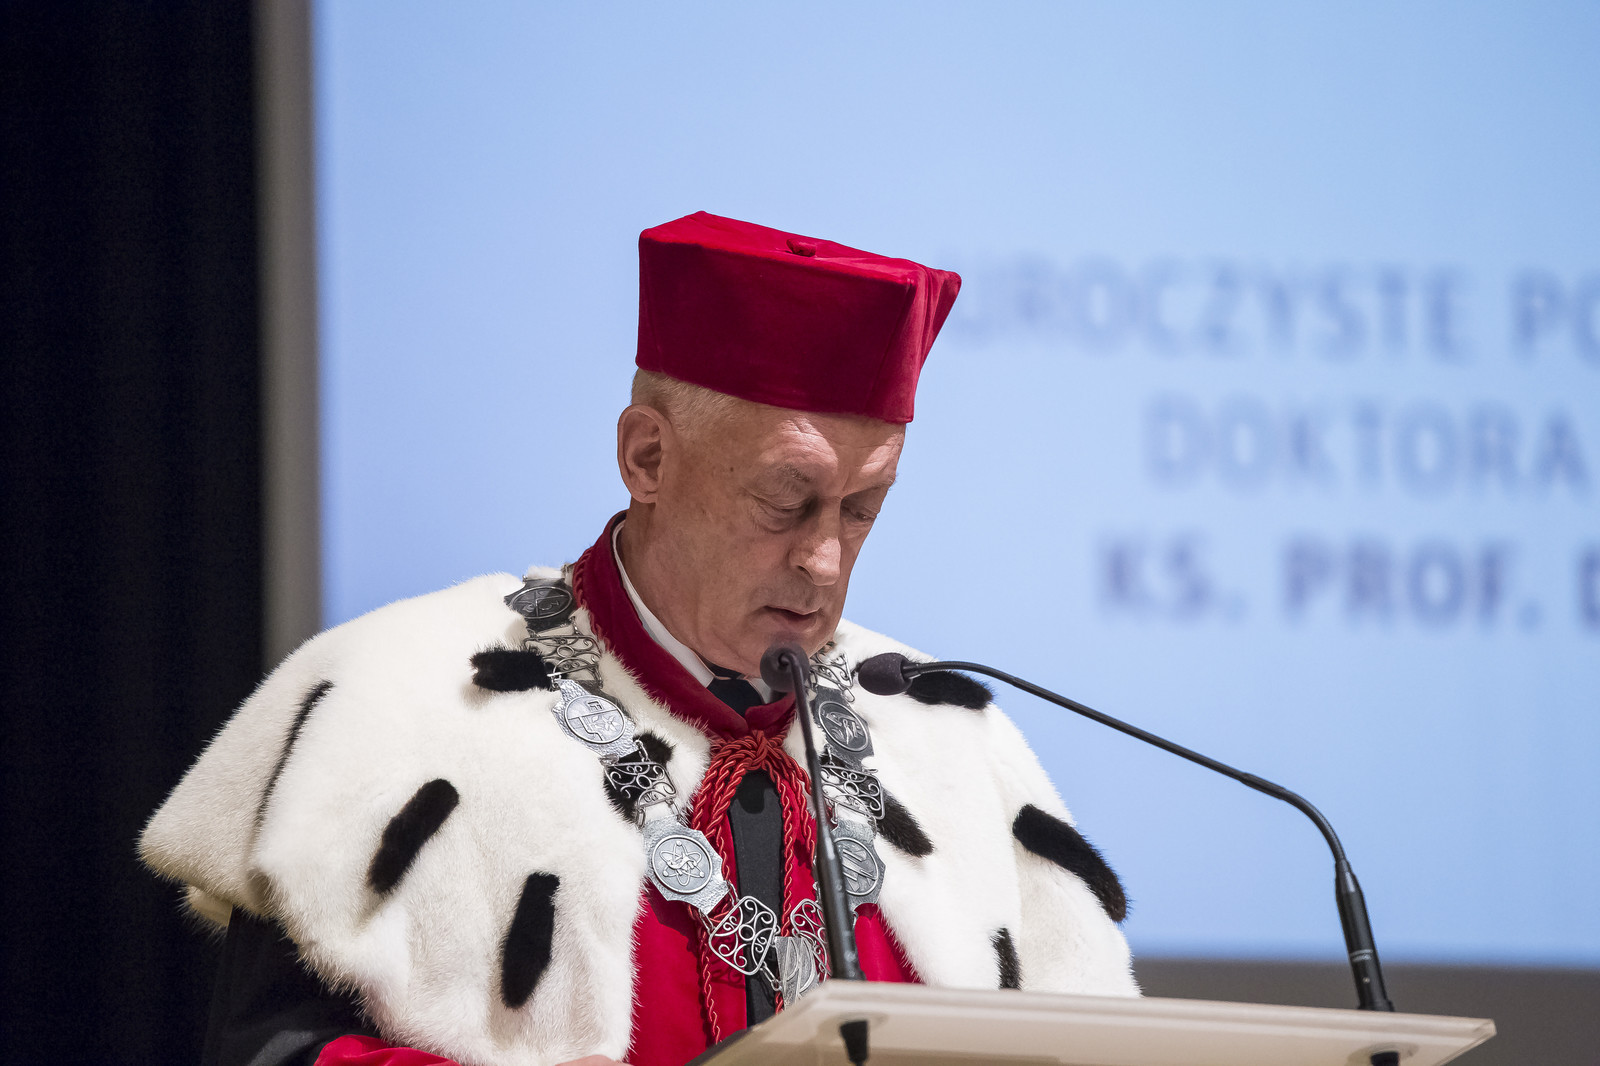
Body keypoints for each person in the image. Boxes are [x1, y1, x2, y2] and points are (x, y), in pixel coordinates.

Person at [141, 211, 1138, 1066]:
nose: (824, 559)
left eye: (863, 508)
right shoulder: (405, 697)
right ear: (647, 456)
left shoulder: (949, 736)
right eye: (786, 500)